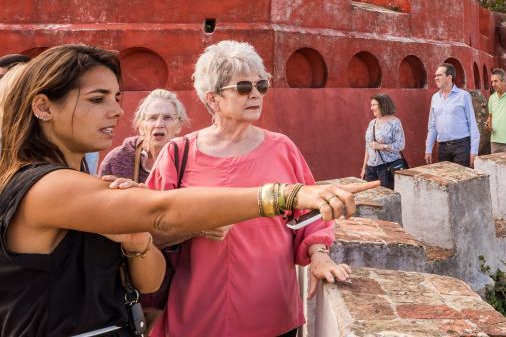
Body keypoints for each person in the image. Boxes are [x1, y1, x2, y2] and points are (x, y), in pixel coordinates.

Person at [0, 44, 376, 337]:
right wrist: (283, 195)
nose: (117, 111)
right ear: (43, 108)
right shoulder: (43, 186)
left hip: (267, 305)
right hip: (195, 310)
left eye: (116, 98)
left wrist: (137, 239)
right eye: (98, 99)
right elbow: (162, 210)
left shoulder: (81, 181)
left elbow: (148, 275)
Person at [145, 40, 368, 337]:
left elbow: (311, 215)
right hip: (196, 315)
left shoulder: (282, 148)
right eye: (242, 88)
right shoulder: (178, 153)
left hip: (272, 313)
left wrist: (318, 254)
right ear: (213, 99)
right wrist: (195, 227)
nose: (255, 94)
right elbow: (147, 227)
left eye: (260, 86)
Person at [98, 89, 189, 184]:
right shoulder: (117, 159)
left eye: (167, 117)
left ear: (179, 126)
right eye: (152, 118)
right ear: (141, 126)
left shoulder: (189, 160)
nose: (159, 124)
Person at [425, 63, 479, 167]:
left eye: (439, 75)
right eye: (435, 76)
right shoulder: (435, 98)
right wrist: (428, 149)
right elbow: (432, 126)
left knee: (462, 179)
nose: (436, 78)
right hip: (442, 148)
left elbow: (472, 124)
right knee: (446, 180)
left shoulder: (463, 96)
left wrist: (474, 151)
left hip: (461, 146)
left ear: (449, 77)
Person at [360, 93, 406, 189]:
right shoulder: (372, 122)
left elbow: (400, 145)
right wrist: (364, 168)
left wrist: (382, 146)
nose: (371, 108)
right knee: (370, 197)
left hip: (387, 168)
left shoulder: (395, 122)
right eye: (371, 105)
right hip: (371, 169)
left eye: (373, 105)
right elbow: (368, 147)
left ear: (382, 105)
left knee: (386, 197)